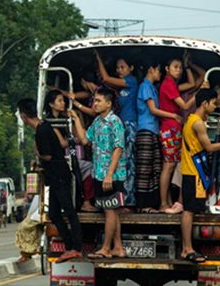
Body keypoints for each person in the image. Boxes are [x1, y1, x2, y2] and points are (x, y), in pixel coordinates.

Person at [18, 98, 83, 263]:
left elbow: (47, 155)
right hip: (54, 177)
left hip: (58, 175)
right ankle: (69, 246)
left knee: (69, 211)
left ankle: (76, 247)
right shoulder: (45, 126)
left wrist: (37, 152)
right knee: (54, 213)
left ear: (24, 116)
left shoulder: (41, 131)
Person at [71, 88, 132, 259]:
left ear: (108, 103)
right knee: (111, 211)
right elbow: (85, 140)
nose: (94, 104)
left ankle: (106, 248)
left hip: (111, 175)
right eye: (94, 101)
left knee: (110, 211)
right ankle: (118, 247)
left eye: (98, 101)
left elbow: (118, 148)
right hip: (98, 173)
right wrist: (76, 119)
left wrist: (109, 174)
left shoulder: (115, 122)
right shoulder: (97, 122)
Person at [180, 89, 220, 263]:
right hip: (193, 172)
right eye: (213, 102)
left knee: (190, 211)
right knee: (188, 211)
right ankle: (187, 249)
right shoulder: (197, 123)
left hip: (191, 171)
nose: (215, 105)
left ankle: (188, 247)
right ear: (204, 103)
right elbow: (208, 147)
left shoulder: (193, 119)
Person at [135, 59, 181, 213]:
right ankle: (144, 205)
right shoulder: (145, 86)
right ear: (151, 69)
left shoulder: (153, 88)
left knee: (155, 169)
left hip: (154, 130)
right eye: (159, 70)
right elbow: (153, 110)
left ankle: (156, 203)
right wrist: (174, 115)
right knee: (145, 170)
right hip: (145, 130)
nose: (160, 74)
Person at [95, 51, 138, 210]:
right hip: (121, 125)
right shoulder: (119, 86)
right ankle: (121, 199)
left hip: (129, 125)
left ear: (131, 68)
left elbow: (106, 78)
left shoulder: (131, 81)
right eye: (118, 68)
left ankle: (129, 201)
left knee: (128, 164)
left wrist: (99, 59)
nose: (119, 70)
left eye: (123, 67)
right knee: (122, 163)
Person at [158, 55, 199, 214]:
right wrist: (201, 92)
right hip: (170, 128)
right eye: (176, 66)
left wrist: (188, 67)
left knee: (170, 166)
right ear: (167, 69)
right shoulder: (168, 84)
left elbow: (191, 84)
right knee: (168, 167)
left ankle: (166, 201)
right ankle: (163, 203)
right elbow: (186, 105)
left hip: (172, 128)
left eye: (180, 67)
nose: (179, 70)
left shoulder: (172, 84)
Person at [45, 89, 95, 212]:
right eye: (60, 101)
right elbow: (62, 143)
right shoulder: (50, 122)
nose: (63, 103)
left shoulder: (64, 120)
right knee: (91, 168)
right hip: (61, 160)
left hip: (69, 157)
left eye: (63, 100)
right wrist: (78, 140)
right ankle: (86, 201)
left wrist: (76, 118)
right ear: (51, 104)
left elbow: (79, 132)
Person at [15, 194, 43, 264]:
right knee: (24, 227)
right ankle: (27, 254)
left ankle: (28, 253)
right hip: (41, 211)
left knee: (25, 227)